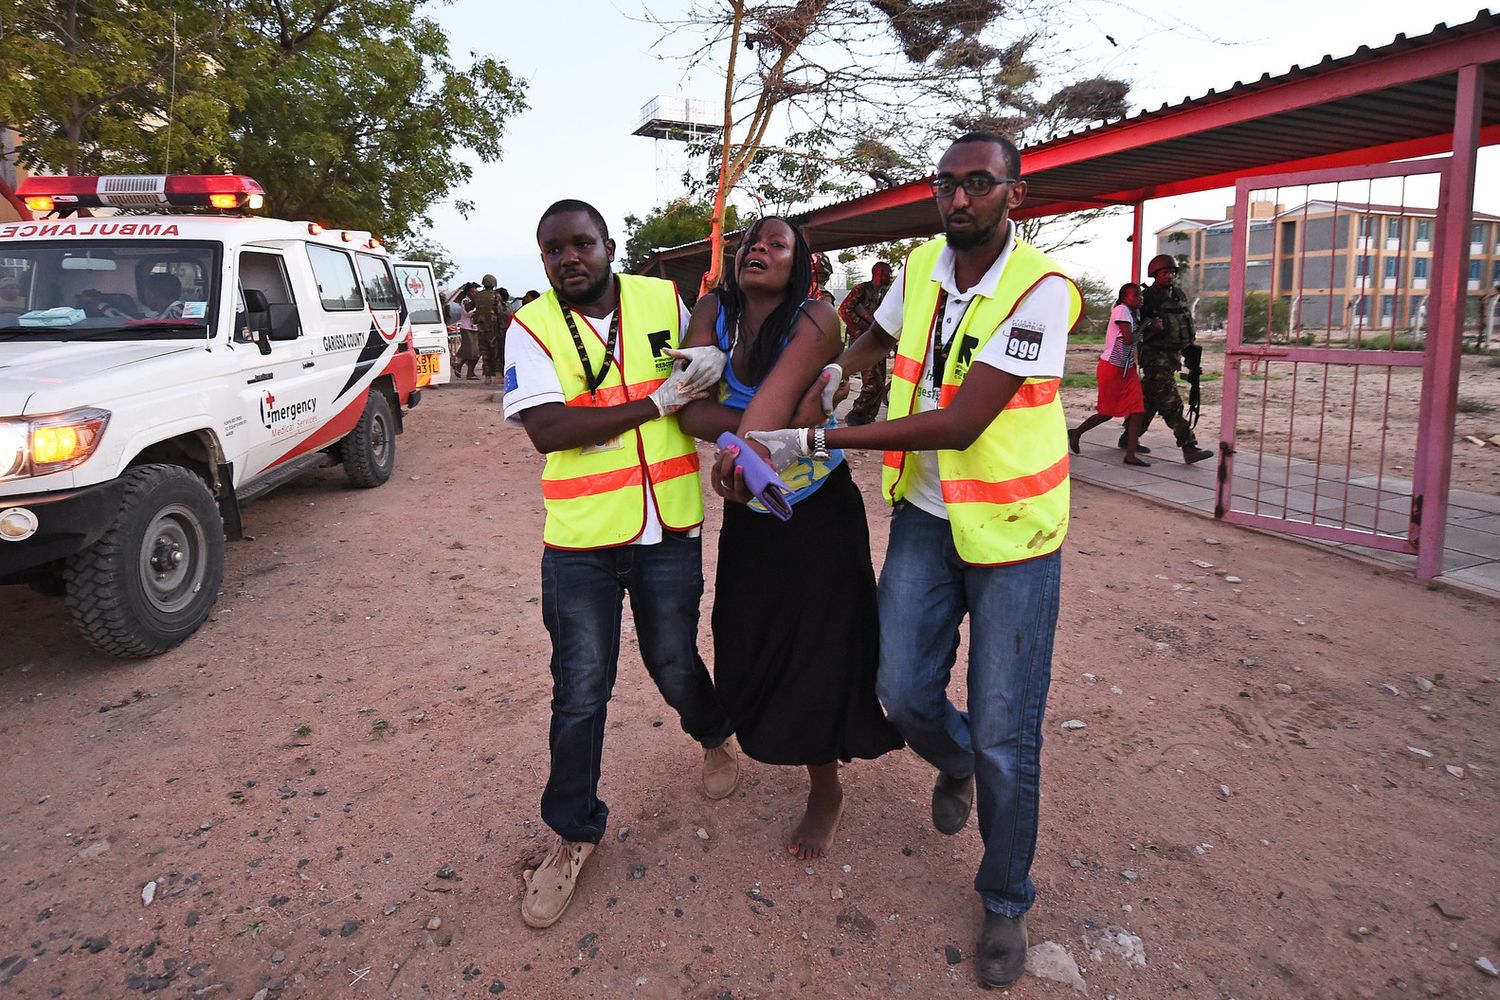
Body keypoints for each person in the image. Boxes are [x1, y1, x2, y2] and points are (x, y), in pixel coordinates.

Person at [747, 132, 1080, 989]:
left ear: (1016, 194)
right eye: (947, 185)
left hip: (1013, 534)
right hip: (928, 518)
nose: (959, 199)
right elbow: (873, 344)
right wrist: (830, 373)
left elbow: (964, 420)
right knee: (901, 692)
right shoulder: (923, 263)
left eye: (979, 184)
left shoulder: (1042, 293)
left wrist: (822, 433)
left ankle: (1005, 896)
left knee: (1010, 732)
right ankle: (955, 758)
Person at [503, 198, 739, 931]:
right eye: (553, 250)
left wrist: (720, 361)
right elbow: (549, 430)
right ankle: (573, 834)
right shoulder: (530, 326)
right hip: (581, 542)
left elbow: (726, 371)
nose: (568, 258)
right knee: (580, 690)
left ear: (609, 245)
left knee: (673, 660)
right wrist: (656, 401)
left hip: (668, 527)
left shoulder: (665, 298)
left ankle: (712, 736)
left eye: (581, 244)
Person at [676, 217, 902, 861]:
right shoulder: (713, 309)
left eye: (778, 244)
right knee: (746, 637)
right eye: (752, 240)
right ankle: (760, 736)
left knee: (820, 650)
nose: (760, 249)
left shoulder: (817, 318)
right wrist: (762, 435)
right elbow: (687, 406)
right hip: (750, 505)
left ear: (800, 263)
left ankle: (825, 786)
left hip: (815, 510)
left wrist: (752, 435)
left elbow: (759, 411)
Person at [1138, 255, 1213, 464]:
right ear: (1154, 275)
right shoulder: (1148, 297)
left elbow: (1184, 324)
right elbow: (1136, 326)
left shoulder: (1179, 295)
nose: (1169, 275)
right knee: (1171, 403)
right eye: (1164, 273)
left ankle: (1129, 437)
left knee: (1150, 400)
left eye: (1171, 272)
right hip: (1154, 358)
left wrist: (1189, 352)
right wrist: (1152, 326)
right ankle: (1188, 446)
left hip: (1173, 356)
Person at [1069, 283, 1148, 466]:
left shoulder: (1133, 313)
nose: (1140, 298)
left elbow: (1136, 340)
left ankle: (1130, 454)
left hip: (1127, 368)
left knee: (1137, 410)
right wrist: (1146, 324)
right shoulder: (1121, 311)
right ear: (1123, 297)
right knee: (1107, 412)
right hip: (1113, 367)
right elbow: (1129, 340)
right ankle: (1077, 432)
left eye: (1140, 295)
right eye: (1135, 295)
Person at [837, 261, 894, 424]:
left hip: (878, 343)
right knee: (872, 383)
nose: (889, 277)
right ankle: (857, 416)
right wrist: (862, 329)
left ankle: (867, 417)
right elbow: (845, 310)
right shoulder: (861, 289)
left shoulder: (883, 293)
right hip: (864, 343)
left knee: (879, 382)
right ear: (877, 273)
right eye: (887, 273)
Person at [470, 274, 507, 386]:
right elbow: (500, 312)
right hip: (493, 328)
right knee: (496, 352)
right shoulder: (496, 295)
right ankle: (498, 376)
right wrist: (502, 328)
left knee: (485, 352)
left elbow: (469, 307)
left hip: (481, 328)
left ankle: (487, 378)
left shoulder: (478, 296)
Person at [448, 282, 480, 379]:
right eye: (472, 292)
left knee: (477, 352)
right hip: (466, 328)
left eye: (476, 292)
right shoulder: (465, 301)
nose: (474, 294)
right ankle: (459, 365)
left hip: (475, 328)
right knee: (469, 350)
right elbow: (467, 313)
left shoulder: (477, 302)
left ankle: (470, 372)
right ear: (467, 293)